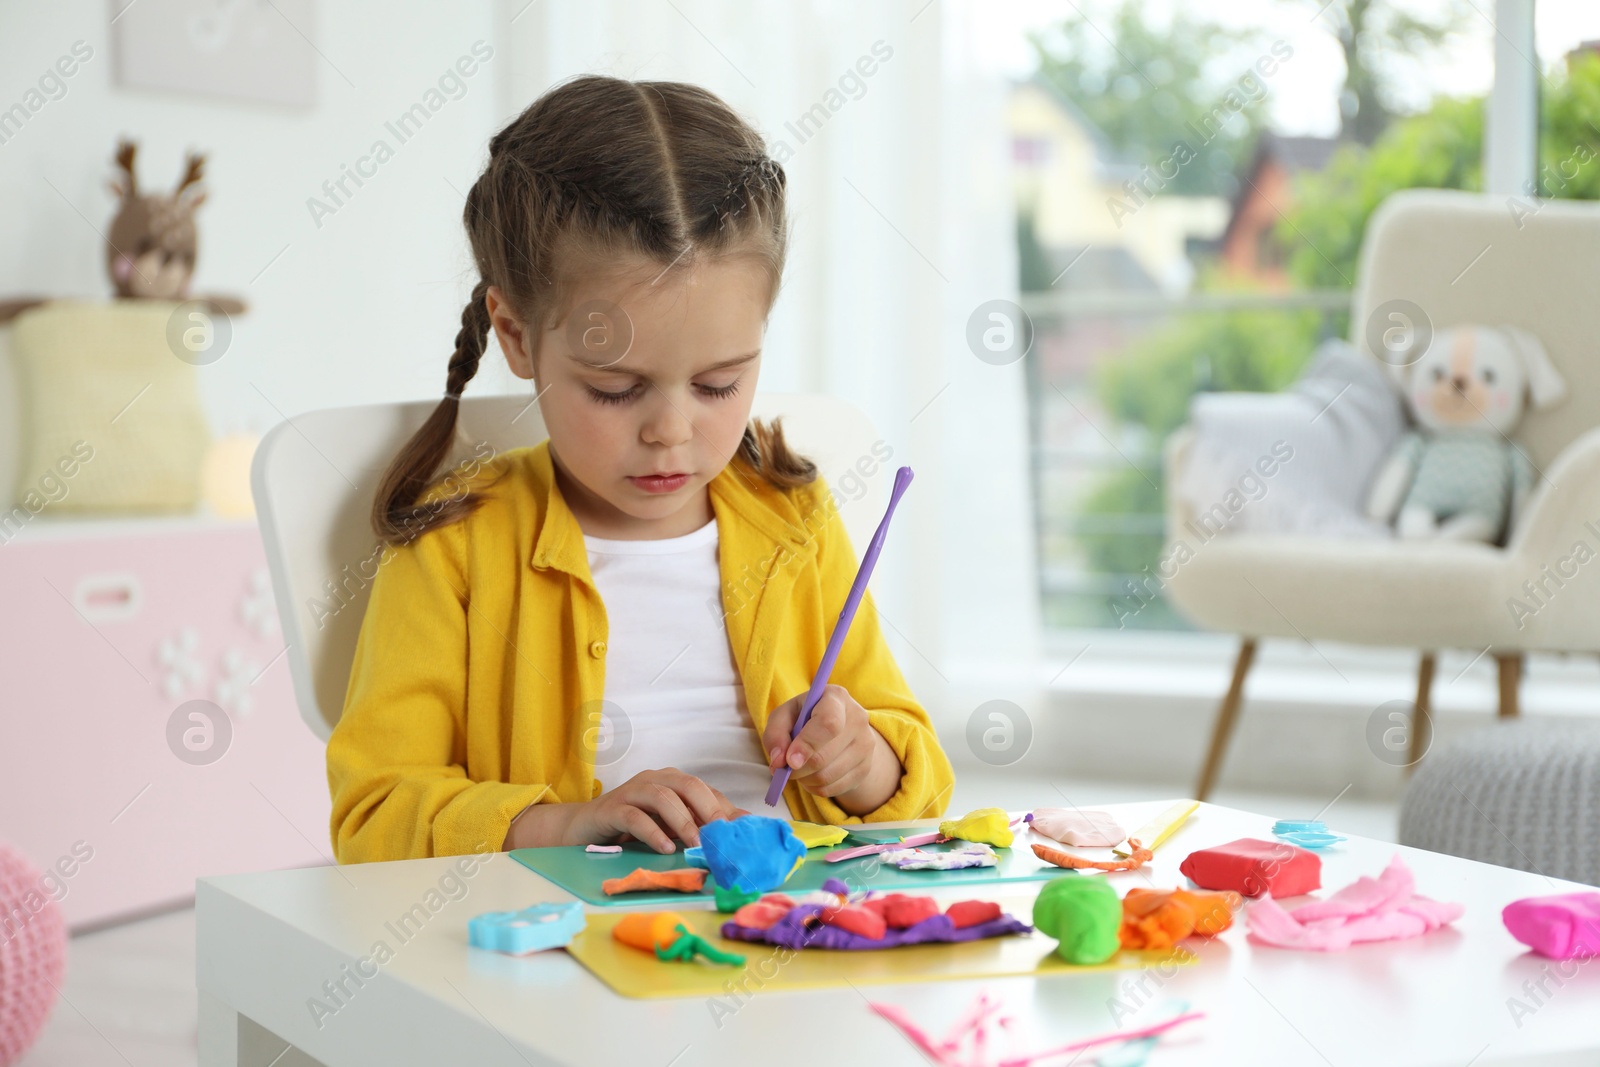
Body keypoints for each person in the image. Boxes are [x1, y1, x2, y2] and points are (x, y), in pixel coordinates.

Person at [327, 75, 953, 864]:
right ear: (516, 336)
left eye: (719, 383)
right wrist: (566, 824)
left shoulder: (793, 520)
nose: (671, 431)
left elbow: (917, 781)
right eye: (615, 388)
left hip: (791, 926)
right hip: (568, 950)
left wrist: (863, 762)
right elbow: (375, 812)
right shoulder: (453, 546)